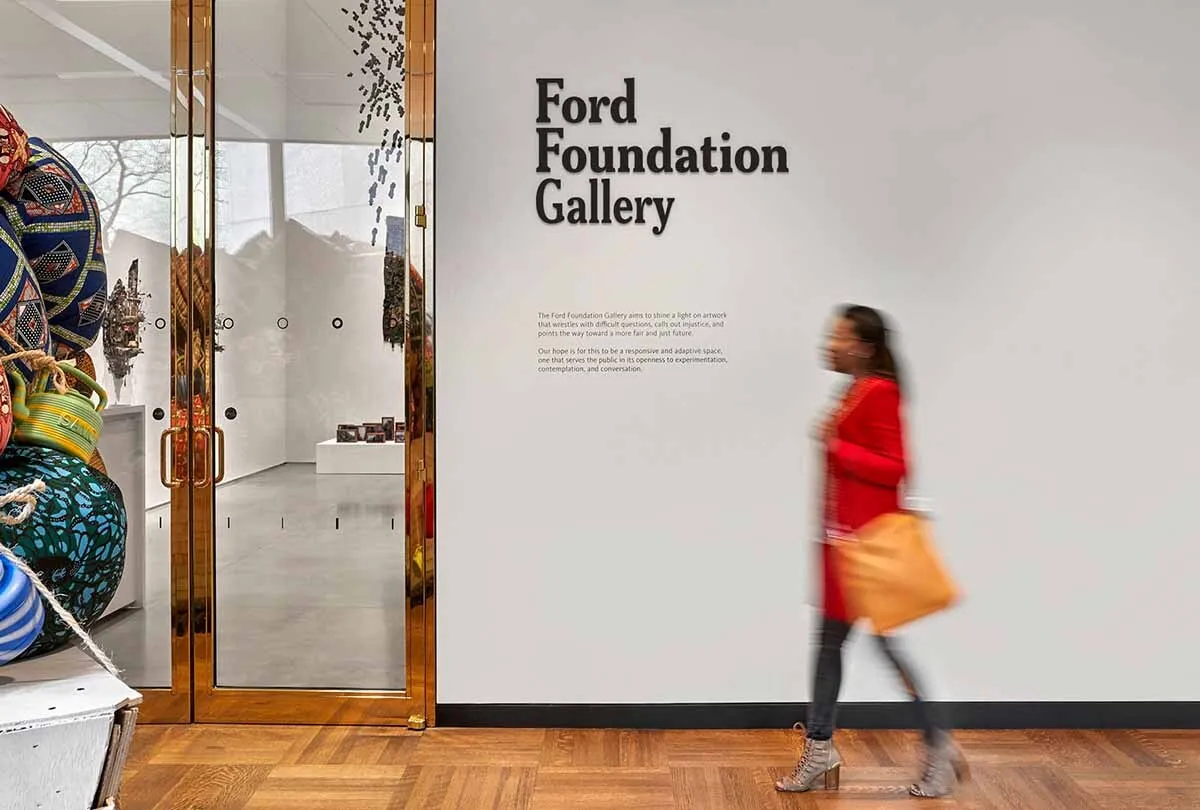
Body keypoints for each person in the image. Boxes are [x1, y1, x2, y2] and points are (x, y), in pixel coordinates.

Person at [775, 304, 968, 798]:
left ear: (862, 345)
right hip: (844, 549)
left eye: (837, 337)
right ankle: (820, 750)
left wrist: (835, 446)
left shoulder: (880, 392)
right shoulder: (853, 392)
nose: (828, 344)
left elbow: (895, 467)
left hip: (868, 551)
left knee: (882, 647)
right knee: (829, 649)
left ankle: (937, 746)